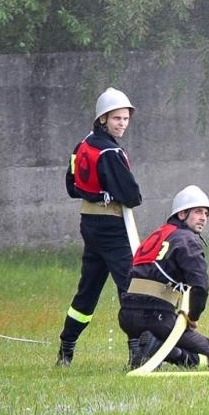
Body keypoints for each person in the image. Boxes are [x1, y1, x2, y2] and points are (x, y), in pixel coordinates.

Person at [57, 87, 143, 366]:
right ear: (103, 118)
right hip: (113, 227)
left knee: (88, 290)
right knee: (131, 287)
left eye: (126, 119)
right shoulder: (111, 152)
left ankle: (66, 349)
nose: (123, 124)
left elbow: (72, 187)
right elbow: (133, 196)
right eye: (117, 119)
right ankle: (137, 354)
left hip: (89, 223)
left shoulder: (82, 145)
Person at [119, 184, 209, 370]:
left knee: (165, 334)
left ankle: (146, 349)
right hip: (155, 317)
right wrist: (192, 317)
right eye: (198, 212)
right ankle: (157, 347)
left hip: (126, 316)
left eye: (206, 214)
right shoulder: (187, 240)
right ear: (182, 215)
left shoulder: (156, 236)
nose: (203, 218)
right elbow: (200, 287)